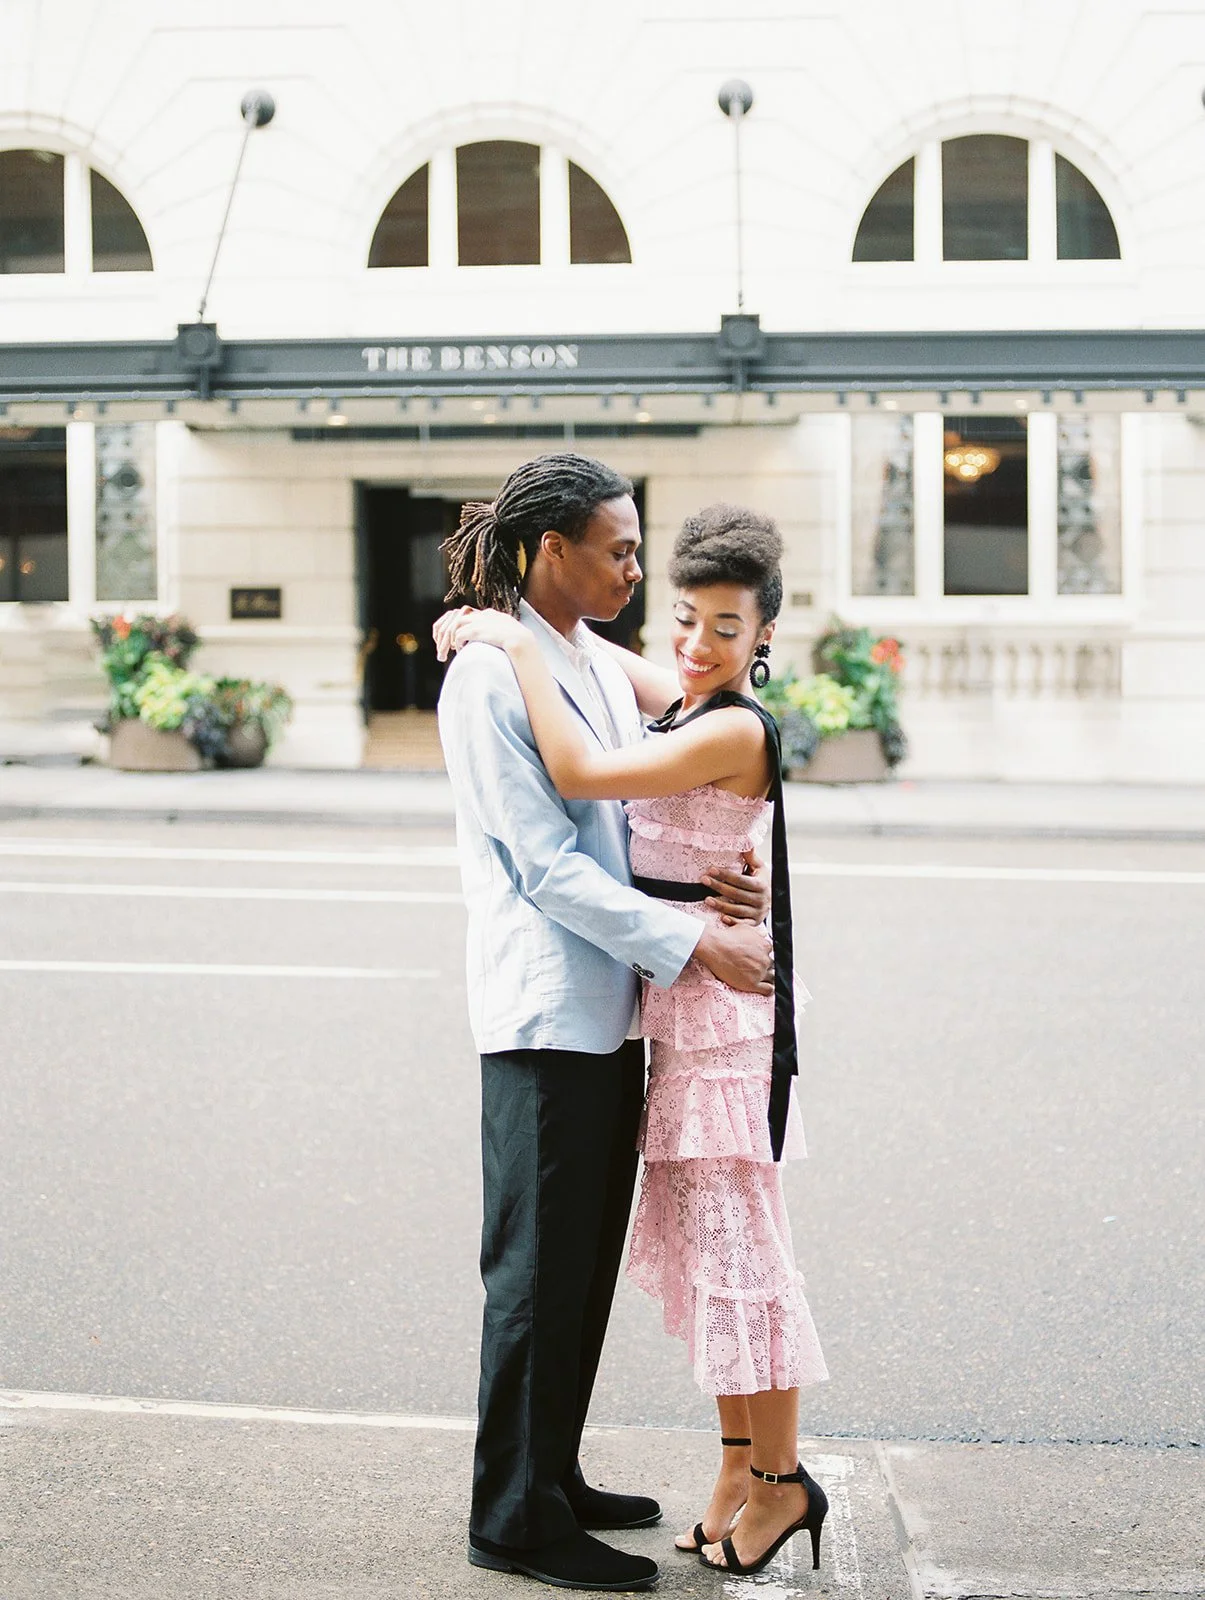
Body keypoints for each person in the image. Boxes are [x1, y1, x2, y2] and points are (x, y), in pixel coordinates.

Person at [438, 502, 831, 1579]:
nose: (694, 642)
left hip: (711, 1029)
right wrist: (514, 611)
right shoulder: (666, 686)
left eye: (724, 625)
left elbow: (579, 769)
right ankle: (723, 1476)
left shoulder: (728, 719)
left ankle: (777, 1480)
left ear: (762, 638)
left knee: (744, 1260)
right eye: (682, 614)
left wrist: (512, 630)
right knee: (707, 1261)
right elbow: (603, 661)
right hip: (659, 1016)